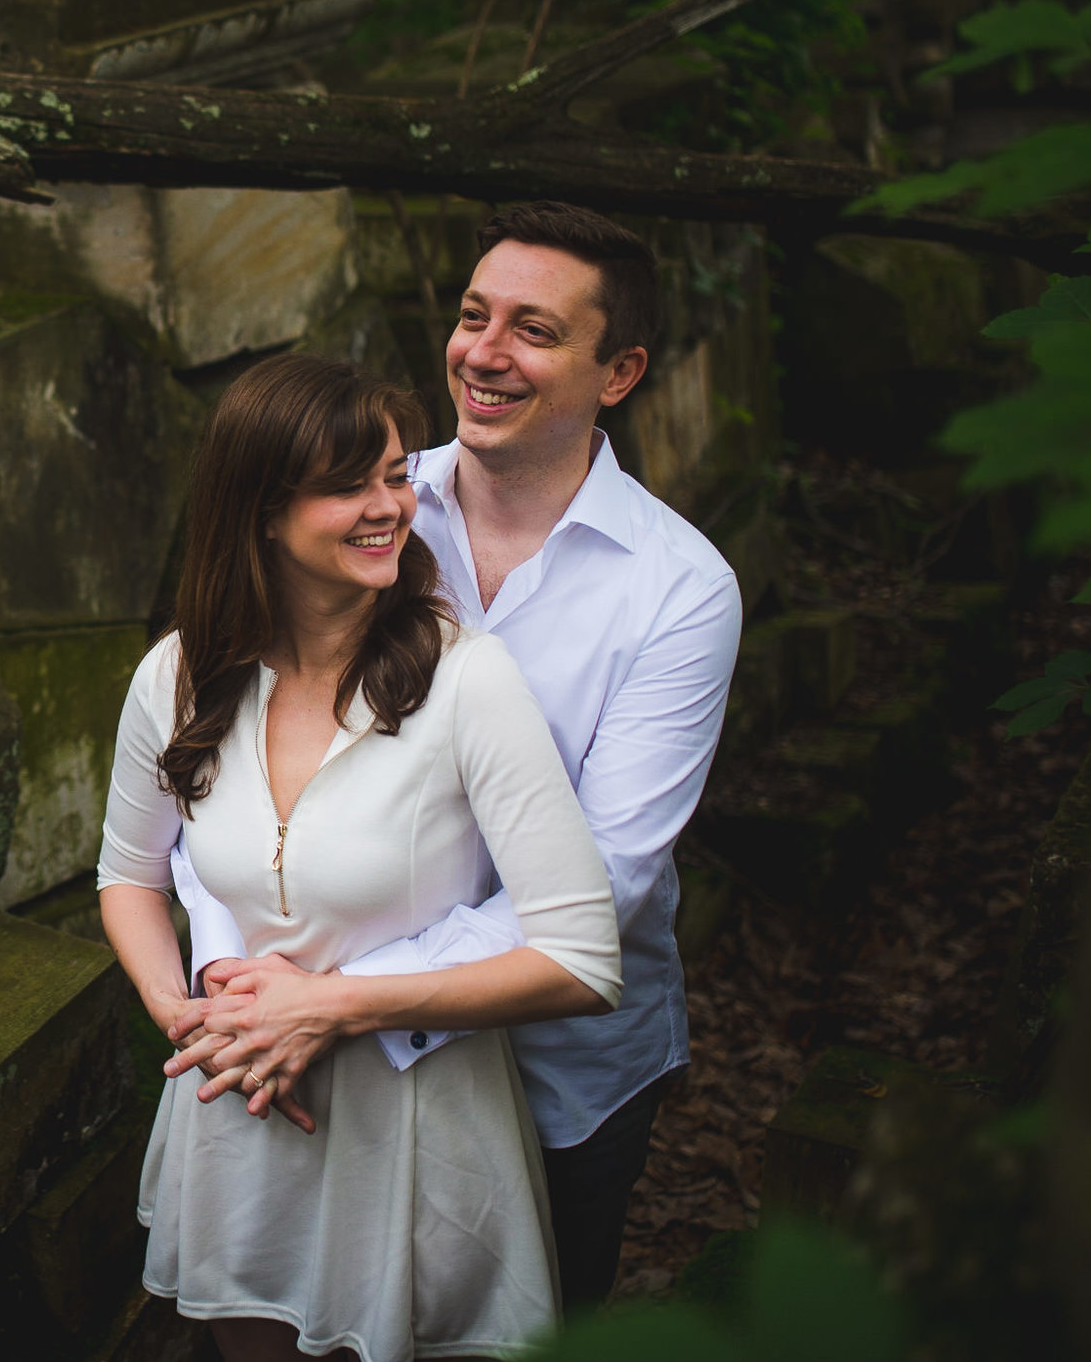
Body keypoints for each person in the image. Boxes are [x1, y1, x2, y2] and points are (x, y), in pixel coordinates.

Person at [172, 200, 746, 1313]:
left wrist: (328, 1000)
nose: (481, 352)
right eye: (473, 314)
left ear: (616, 371)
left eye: (532, 329)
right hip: (304, 1050)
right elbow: (219, 766)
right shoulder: (359, 508)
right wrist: (234, 983)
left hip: (549, 1076)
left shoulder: (678, 591)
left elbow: (609, 884)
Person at [96, 351, 623, 1362]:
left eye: (392, 475)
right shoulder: (175, 675)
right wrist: (190, 1017)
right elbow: (128, 873)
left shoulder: (467, 682)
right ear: (258, 509)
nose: (388, 506)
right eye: (348, 484)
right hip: (240, 1113)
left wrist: (330, 1005)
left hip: (413, 1131)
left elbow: (582, 956)